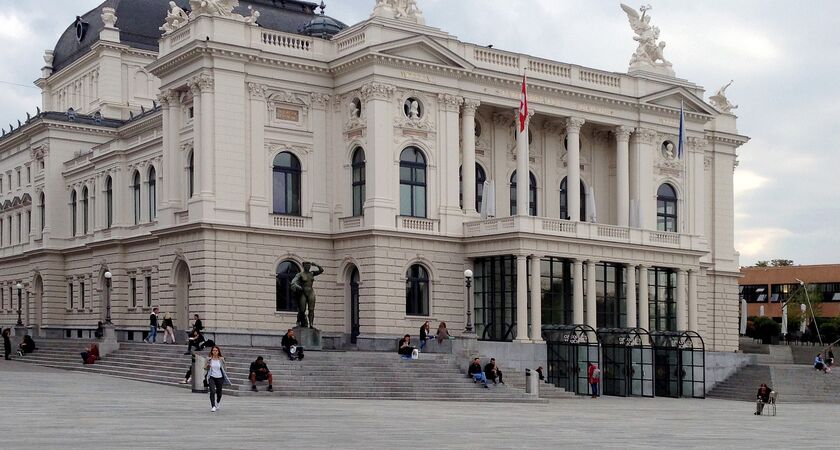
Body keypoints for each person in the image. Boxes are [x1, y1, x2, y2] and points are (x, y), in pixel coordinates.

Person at [204, 346, 231, 412]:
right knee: (212, 391)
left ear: (218, 351)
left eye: (216, 350)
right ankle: (213, 406)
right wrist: (207, 366)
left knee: (219, 392)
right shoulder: (209, 359)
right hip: (211, 377)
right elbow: (205, 367)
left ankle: (218, 402)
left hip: (220, 377)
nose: (215, 352)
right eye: (213, 350)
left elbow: (225, 368)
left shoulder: (221, 359)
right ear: (212, 351)